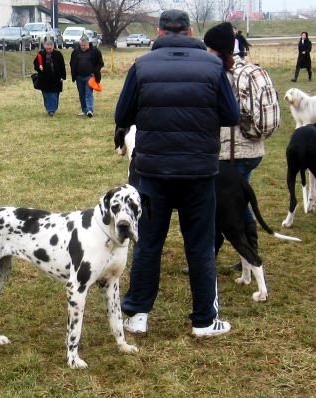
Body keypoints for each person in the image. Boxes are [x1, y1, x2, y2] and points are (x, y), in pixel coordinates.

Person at [115, 10, 239, 337]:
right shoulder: (213, 67)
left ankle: (137, 314)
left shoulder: (141, 65)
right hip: (199, 172)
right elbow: (231, 114)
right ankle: (204, 320)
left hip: (152, 172)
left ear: (159, 31)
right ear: (190, 30)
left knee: (148, 244)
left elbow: (122, 114)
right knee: (199, 246)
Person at [205, 22, 263, 270]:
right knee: (239, 202)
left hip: (234, 150)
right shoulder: (248, 68)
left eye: (208, 47)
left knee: (231, 207)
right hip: (253, 147)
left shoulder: (225, 74)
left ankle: (249, 255)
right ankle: (246, 256)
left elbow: (229, 113)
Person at [70, 36, 103, 118]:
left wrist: (95, 72)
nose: (83, 47)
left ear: (88, 44)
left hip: (90, 76)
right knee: (81, 94)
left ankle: (89, 110)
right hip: (79, 76)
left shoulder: (95, 51)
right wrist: (74, 73)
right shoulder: (75, 52)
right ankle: (84, 110)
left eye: (84, 45)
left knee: (88, 93)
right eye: (81, 45)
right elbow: (72, 63)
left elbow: (100, 63)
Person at [33, 40, 66, 117]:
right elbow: (35, 64)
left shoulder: (58, 54)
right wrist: (39, 67)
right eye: (47, 48)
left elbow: (62, 66)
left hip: (56, 78)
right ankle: (49, 109)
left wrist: (63, 76)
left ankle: (53, 109)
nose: (48, 50)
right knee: (46, 94)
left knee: (55, 94)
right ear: (45, 47)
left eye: (50, 48)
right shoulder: (40, 54)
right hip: (44, 78)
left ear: (53, 47)